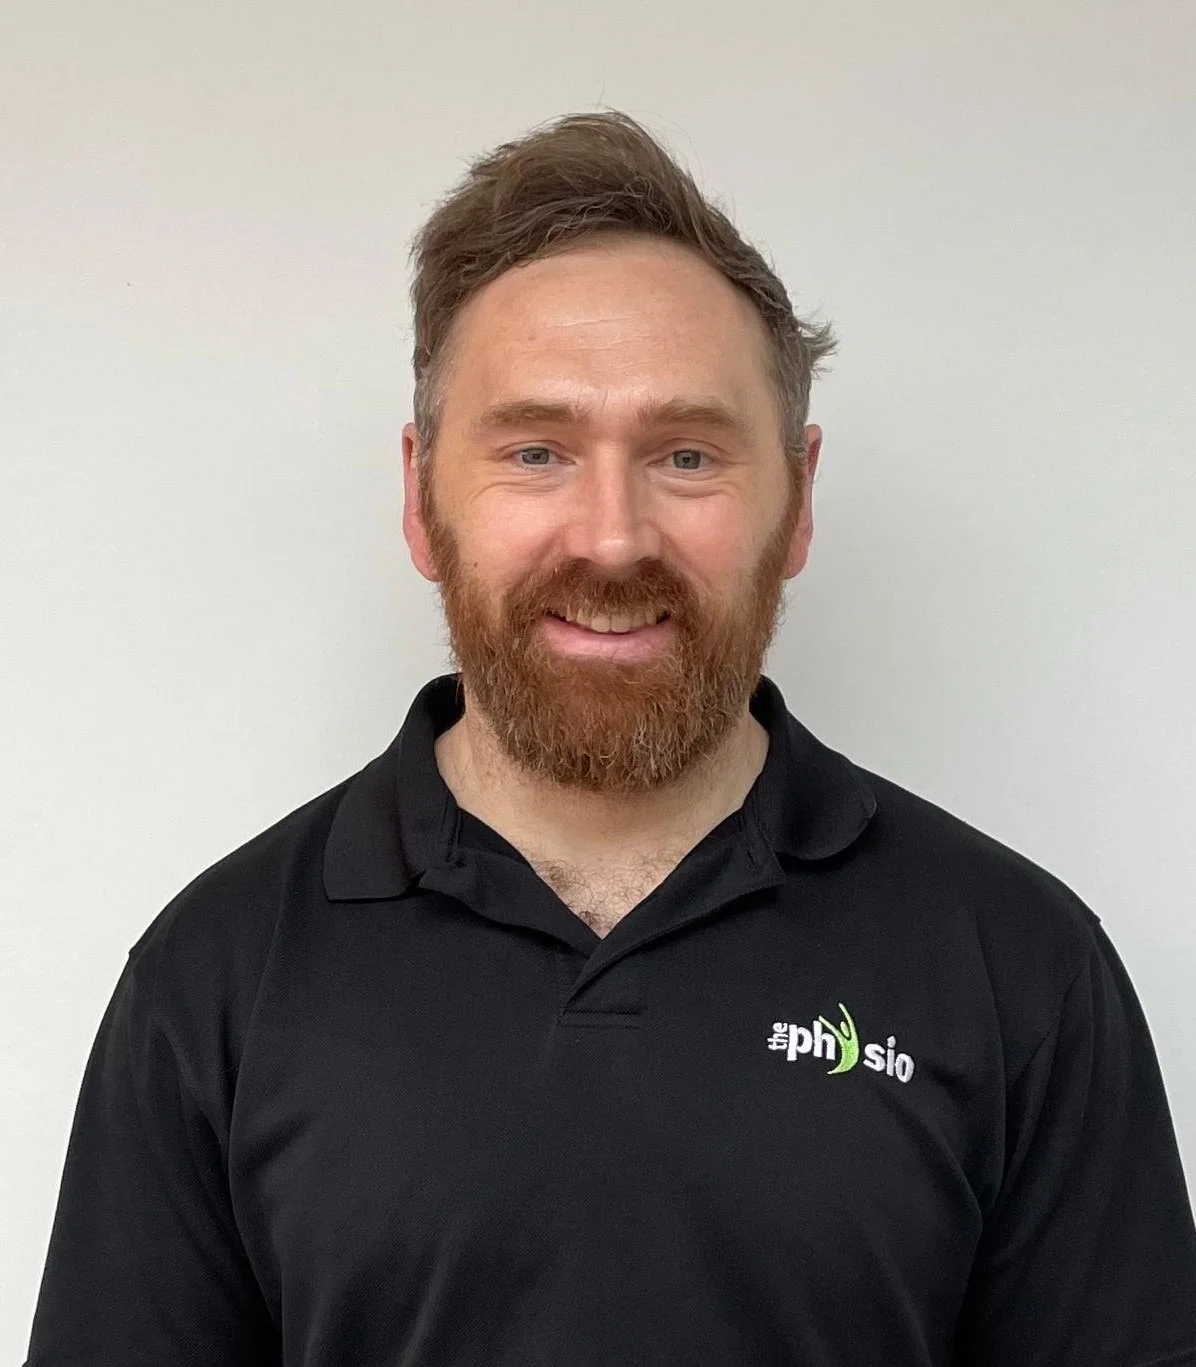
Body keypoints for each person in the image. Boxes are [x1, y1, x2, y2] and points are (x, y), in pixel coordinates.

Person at [23, 109, 1196, 1367]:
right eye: (535, 450)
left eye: (685, 454)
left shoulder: (1016, 963)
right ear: (421, 499)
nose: (612, 535)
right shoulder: (215, 978)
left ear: (795, 502)